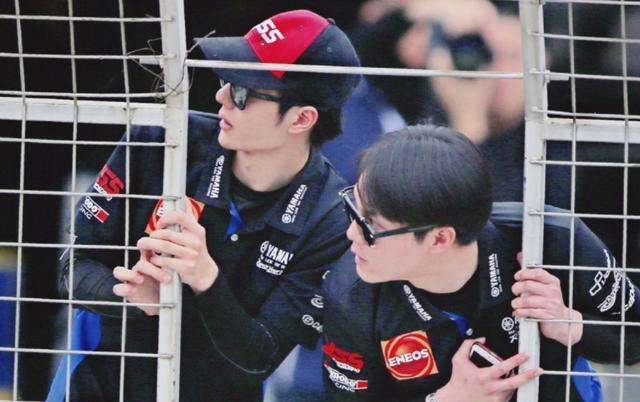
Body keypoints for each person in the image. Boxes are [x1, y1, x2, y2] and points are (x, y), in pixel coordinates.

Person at [49, 9, 361, 402]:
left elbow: (260, 357)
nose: (222, 97)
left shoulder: (332, 219)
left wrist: (206, 279)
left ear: (301, 119)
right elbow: (71, 266)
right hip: (97, 385)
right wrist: (132, 298)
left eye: (243, 92)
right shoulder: (160, 141)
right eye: (226, 80)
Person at [322, 124, 640, 401]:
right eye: (352, 207)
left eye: (370, 226)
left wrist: (570, 324)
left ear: (440, 238)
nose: (351, 233)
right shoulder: (350, 291)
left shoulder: (553, 240)